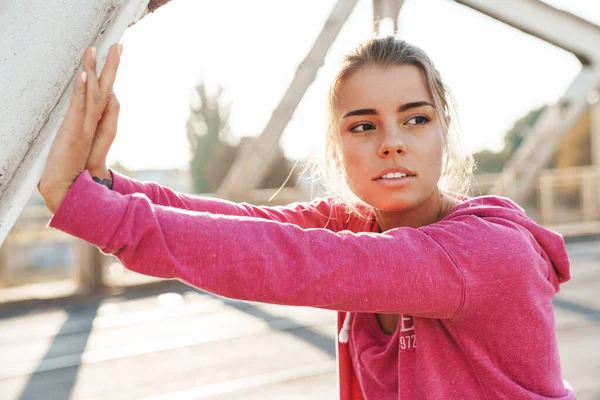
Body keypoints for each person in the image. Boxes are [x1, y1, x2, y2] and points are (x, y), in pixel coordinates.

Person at [38, 37, 575, 399]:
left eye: (416, 119)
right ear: (336, 147)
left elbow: (292, 261)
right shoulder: (359, 223)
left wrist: (89, 208)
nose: (392, 144)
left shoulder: (484, 254)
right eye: (363, 126)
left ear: (443, 130)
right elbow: (253, 224)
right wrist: (103, 186)